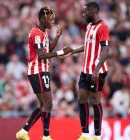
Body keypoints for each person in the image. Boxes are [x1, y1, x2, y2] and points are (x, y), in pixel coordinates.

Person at [16, 6, 72, 140]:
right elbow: (41, 56)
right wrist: (60, 53)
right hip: (37, 70)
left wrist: (57, 37)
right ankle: (46, 136)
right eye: (50, 19)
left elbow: (47, 49)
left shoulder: (43, 32)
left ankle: (24, 131)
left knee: (44, 104)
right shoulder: (35, 33)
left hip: (43, 70)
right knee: (48, 103)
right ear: (42, 19)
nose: (52, 22)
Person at [65, 2, 110, 140]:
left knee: (95, 101)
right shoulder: (89, 26)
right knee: (81, 99)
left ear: (93, 11)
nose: (83, 14)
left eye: (85, 12)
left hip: (96, 70)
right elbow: (88, 45)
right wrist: (73, 50)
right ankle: (85, 134)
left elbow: (106, 49)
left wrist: (96, 70)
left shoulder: (103, 27)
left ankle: (97, 135)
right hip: (85, 70)